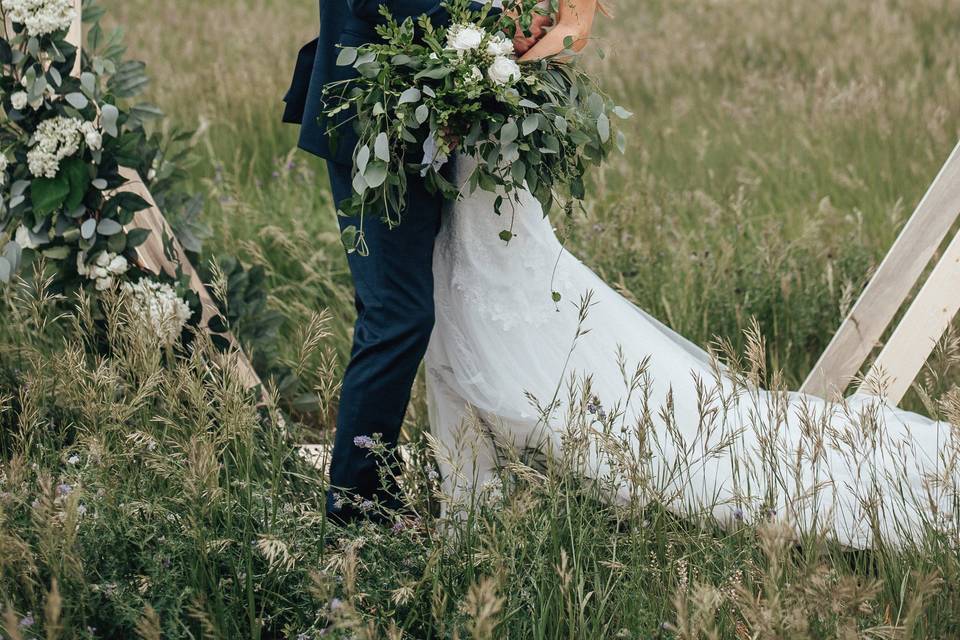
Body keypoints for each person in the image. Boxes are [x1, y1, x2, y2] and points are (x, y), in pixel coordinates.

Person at [424, 0, 958, 548]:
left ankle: (542, 461)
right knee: (457, 295)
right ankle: (472, 487)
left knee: (511, 306)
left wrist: (499, 78)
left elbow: (575, 29)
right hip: (462, 134)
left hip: (494, 121)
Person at [282, 0, 552, 523]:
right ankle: (357, 505)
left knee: (399, 308)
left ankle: (378, 485)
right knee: (395, 314)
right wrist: (494, 24)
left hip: (413, 117)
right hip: (374, 115)